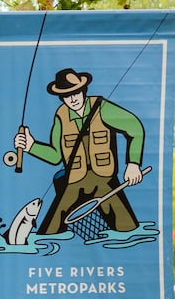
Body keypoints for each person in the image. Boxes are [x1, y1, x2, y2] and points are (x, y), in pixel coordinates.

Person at [12, 67, 146, 235]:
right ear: (62, 98)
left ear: (83, 90)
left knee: (127, 228)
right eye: (67, 95)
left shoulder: (101, 107)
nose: (73, 98)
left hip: (104, 178)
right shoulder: (61, 116)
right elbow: (55, 156)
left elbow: (135, 128)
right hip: (74, 180)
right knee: (49, 231)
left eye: (76, 92)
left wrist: (133, 164)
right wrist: (31, 146)